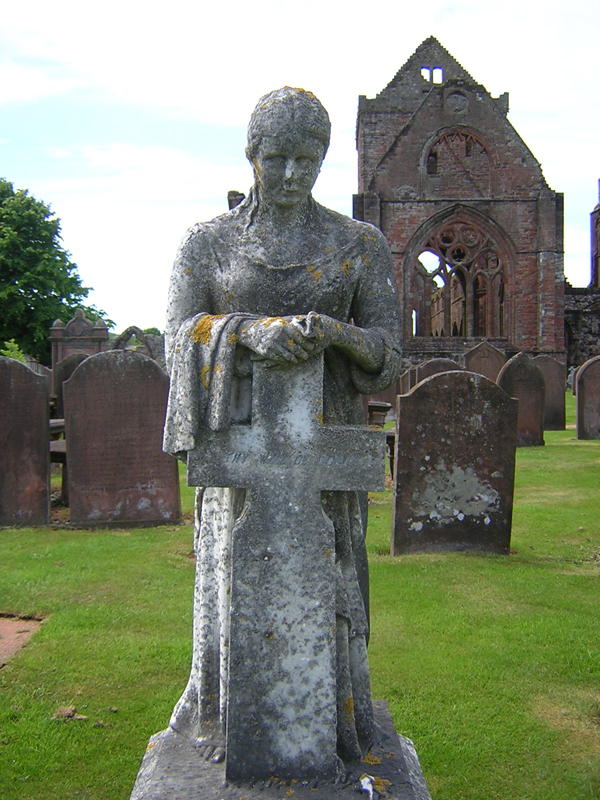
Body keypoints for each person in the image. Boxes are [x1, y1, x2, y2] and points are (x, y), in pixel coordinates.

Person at [163, 87, 402, 768]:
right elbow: (175, 340)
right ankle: (226, 714)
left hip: (324, 456)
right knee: (235, 576)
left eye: (308, 159)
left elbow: (389, 356)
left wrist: (335, 334)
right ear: (252, 155)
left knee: (327, 584)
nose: (294, 173)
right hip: (241, 461)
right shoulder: (206, 243)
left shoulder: (358, 245)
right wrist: (246, 335)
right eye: (278, 158)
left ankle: (329, 722)